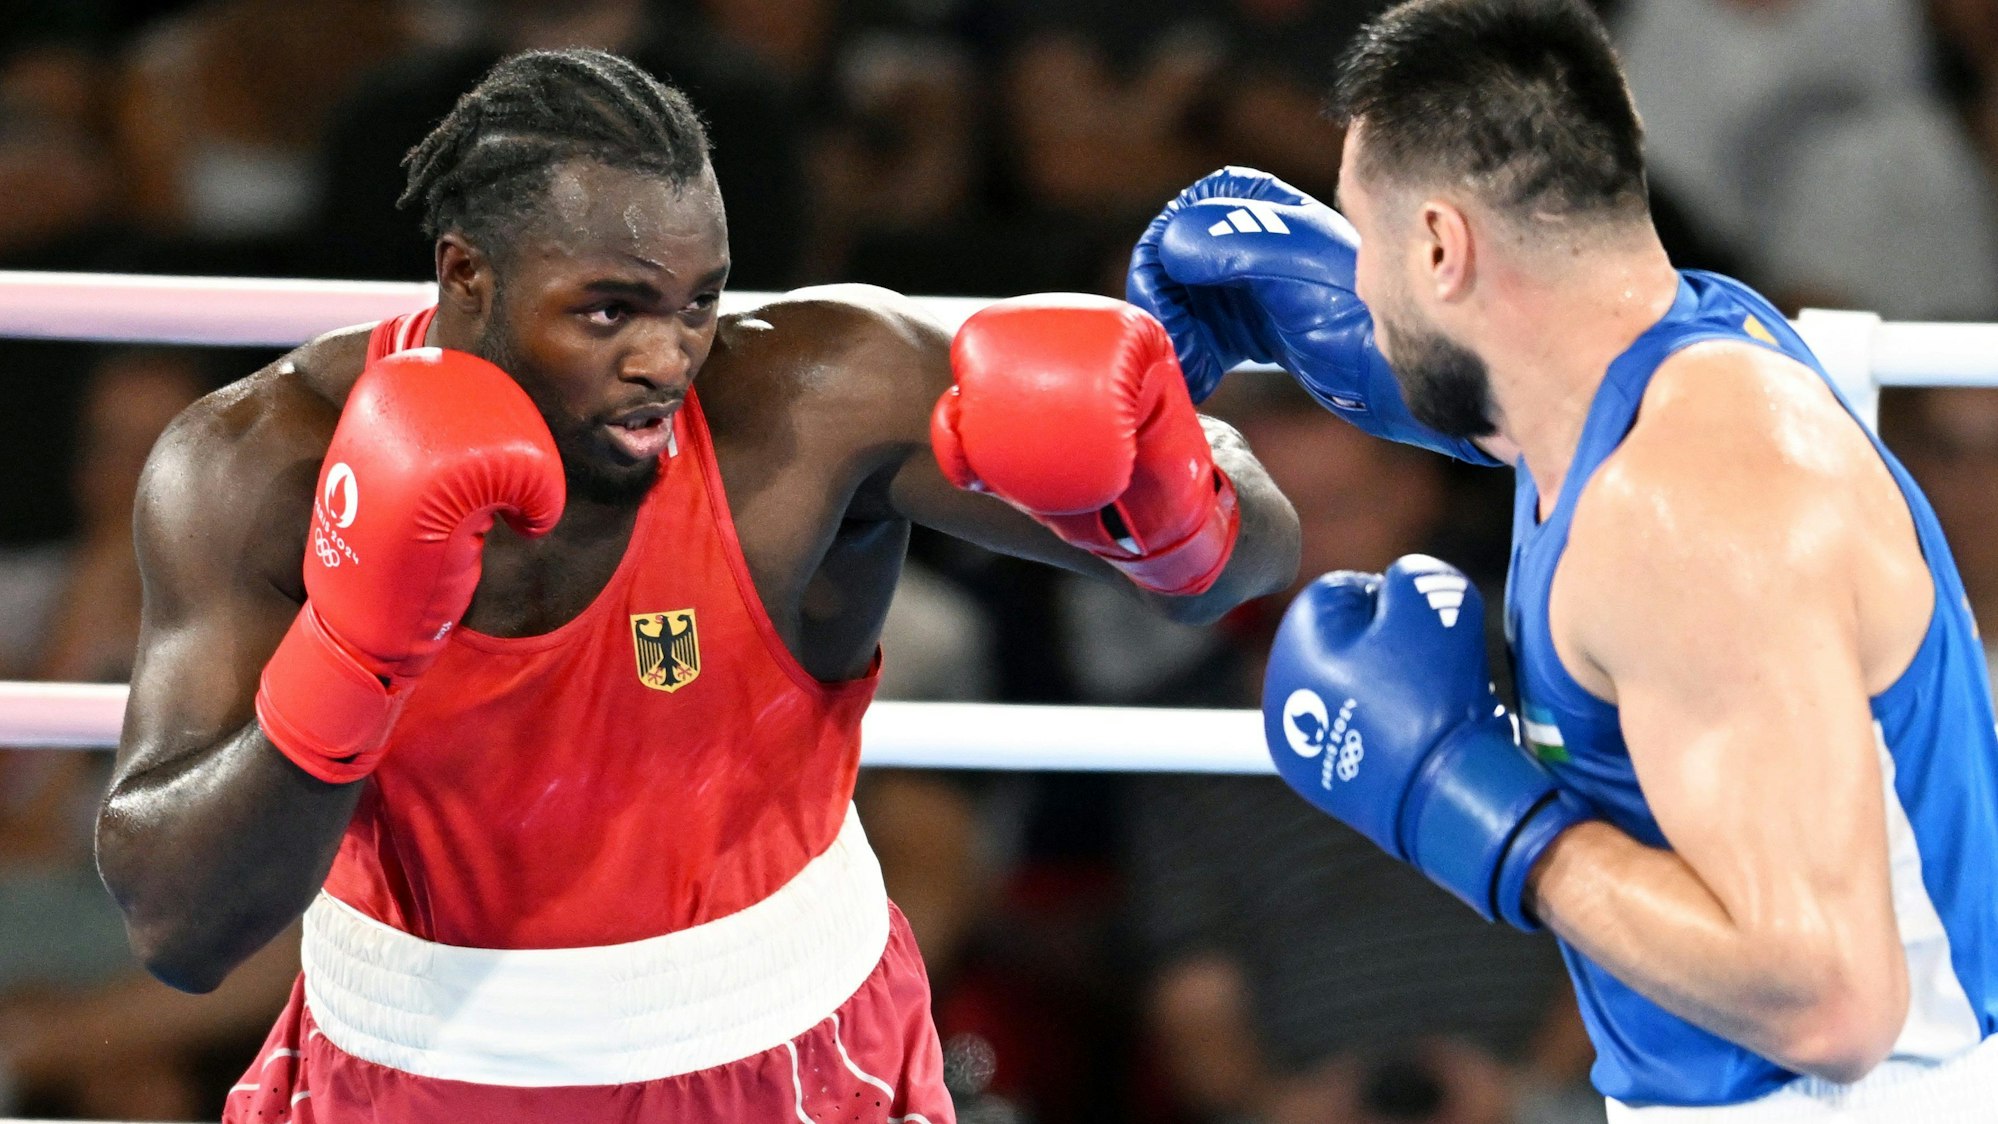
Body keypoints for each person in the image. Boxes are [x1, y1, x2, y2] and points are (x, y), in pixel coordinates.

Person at [95, 48, 1300, 1123]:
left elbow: (1238, 565)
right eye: (610, 309)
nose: (667, 357)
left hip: (789, 1053)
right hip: (409, 1065)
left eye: (700, 300)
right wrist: (355, 647)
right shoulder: (262, 466)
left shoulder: (814, 401)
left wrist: (1169, 498)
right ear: (465, 273)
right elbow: (178, 924)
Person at [1127, 0, 1998, 1119]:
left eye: (1371, 250)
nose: (1364, 299)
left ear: (1443, 247)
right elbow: (1530, 399)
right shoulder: (1685, 346)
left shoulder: (1685, 516)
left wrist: (1487, 813)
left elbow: (1830, 1001)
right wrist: (1337, 329)